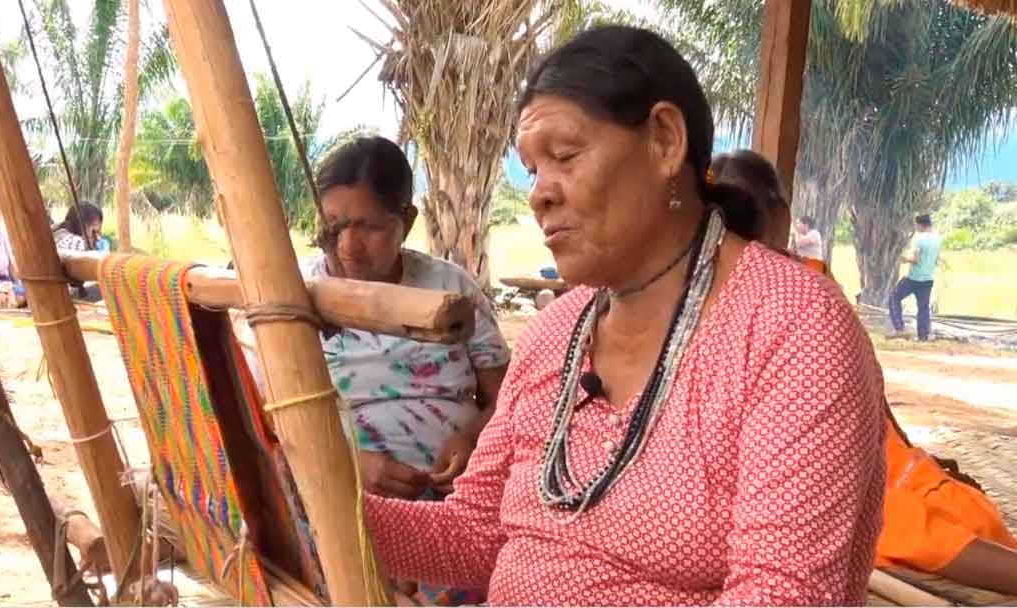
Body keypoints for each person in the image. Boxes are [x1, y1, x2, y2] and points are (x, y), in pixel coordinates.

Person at [363, 26, 886, 606]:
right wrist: (321, 497)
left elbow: (782, 594)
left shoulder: (791, 326)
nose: (539, 193)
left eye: (564, 156)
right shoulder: (555, 333)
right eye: (533, 170)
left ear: (664, 140)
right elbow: (476, 536)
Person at [716, 149, 1017, 595]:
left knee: (923, 510)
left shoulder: (766, 288)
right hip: (813, 467)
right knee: (906, 517)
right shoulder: (808, 285)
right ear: (780, 214)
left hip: (829, 459)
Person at [245, 136, 510, 605]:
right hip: (338, 501)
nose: (349, 246)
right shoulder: (295, 297)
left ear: (405, 221)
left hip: (454, 500)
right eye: (334, 226)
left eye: (369, 227)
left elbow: (509, 401)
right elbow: (266, 421)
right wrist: (348, 467)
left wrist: (473, 442)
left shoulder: (449, 289)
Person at [889, 214, 942, 341]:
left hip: (913, 278)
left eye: (916, 225)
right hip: (928, 279)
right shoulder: (937, 239)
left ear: (919, 224)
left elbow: (915, 259)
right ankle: (923, 336)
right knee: (923, 308)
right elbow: (936, 259)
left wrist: (902, 258)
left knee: (894, 297)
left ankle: (899, 328)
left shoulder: (919, 239)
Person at [52, 203, 105, 303]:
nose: (98, 238)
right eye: (94, 231)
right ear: (82, 225)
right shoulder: (76, 243)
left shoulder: (56, 232)